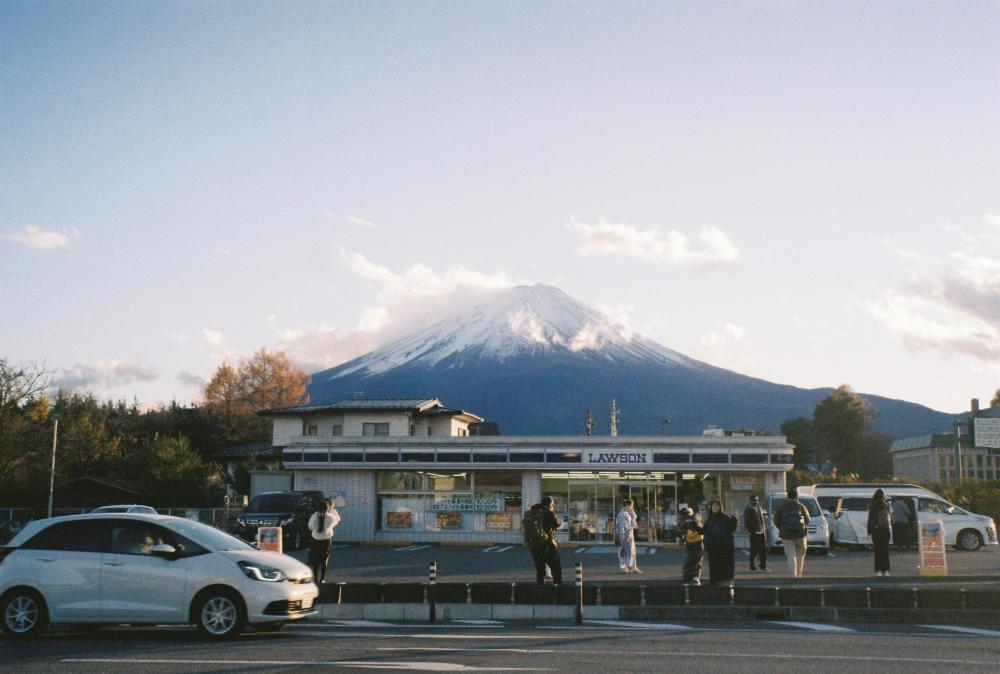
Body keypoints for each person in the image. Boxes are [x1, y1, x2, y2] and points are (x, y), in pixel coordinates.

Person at [524, 496, 562, 585]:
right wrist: (553, 513)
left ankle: (540, 593)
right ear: (550, 505)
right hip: (548, 546)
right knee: (556, 569)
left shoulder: (532, 513)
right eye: (552, 505)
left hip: (535, 547)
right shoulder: (548, 513)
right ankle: (557, 592)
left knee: (540, 571)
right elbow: (557, 524)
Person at [773, 488, 810, 579]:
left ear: (787, 496)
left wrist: (782, 528)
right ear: (797, 496)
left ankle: (793, 575)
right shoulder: (801, 506)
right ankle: (799, 574)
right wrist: (801, 526)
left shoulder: (782, 506)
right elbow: (807, 519)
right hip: (800, 534)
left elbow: (776, 520)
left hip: (786, 535)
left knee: (790, 554)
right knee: (800, 554)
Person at [704, 500, 738, 586]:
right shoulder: (709, 519)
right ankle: (714, 588)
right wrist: (696, 524)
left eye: (717, 506)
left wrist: (735, 518)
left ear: (720, 507)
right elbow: (702, 531)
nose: (714, 507)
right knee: (714, 570)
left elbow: (732, 528)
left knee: (725, 571)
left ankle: (726, 590)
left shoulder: (725, 517)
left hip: (724, 549)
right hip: (713, 549)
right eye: (713, 506)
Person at [308, 498, 341, 583]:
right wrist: (332, 509)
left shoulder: (314, 517)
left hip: (315, 540)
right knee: (324, 560)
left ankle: (315, 579)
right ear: (328, 508)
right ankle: (322, 579)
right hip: (326, 540)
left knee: (315, 560)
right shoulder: (331, 518)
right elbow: (337, 520)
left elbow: (310, 527)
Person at [867, 489, 892, 577]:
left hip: (876, 530)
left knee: (878, 551)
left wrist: (869, 530)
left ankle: (878, 571)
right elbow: (890, 516)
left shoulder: (873, 505)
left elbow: (870, 518)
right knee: (885, 551)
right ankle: (886, 570)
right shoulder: (887, 504)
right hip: (886, 530)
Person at [678, 507, 705, 585]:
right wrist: (681, 539)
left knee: (697, 561)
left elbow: (701, 530)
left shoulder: (696, 519)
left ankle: (695, 577)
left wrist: (696, 524)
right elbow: (681, 532)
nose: (687, 519)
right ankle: (687, 577)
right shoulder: (682, 521)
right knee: (689, 560)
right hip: (689, 543)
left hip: (698, 542)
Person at [743, 494, 768, 572]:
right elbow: (747, 522)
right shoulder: (748, 509)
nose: (756, 501)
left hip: (761, 531)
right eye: (754, 500)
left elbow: (761, 520)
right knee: (754, 550)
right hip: (754, 532)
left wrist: (764, 530)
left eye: (757, 500)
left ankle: (763, 566)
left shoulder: (758, 508)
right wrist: (751, 531)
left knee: (763, 550)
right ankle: (752, 566)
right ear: (750, 500)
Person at [615, 498, 641, 574]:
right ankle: (624, 567)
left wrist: (632, 513)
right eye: (631, 506)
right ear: (627, 505)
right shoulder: (622, 514)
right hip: (625, 535)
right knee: (626, 551)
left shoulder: (628, 512)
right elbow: (621, 526)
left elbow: (634, 521)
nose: (632, 507)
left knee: (632, 551)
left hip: (630, 534)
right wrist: (621, 535)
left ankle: (633, 567)